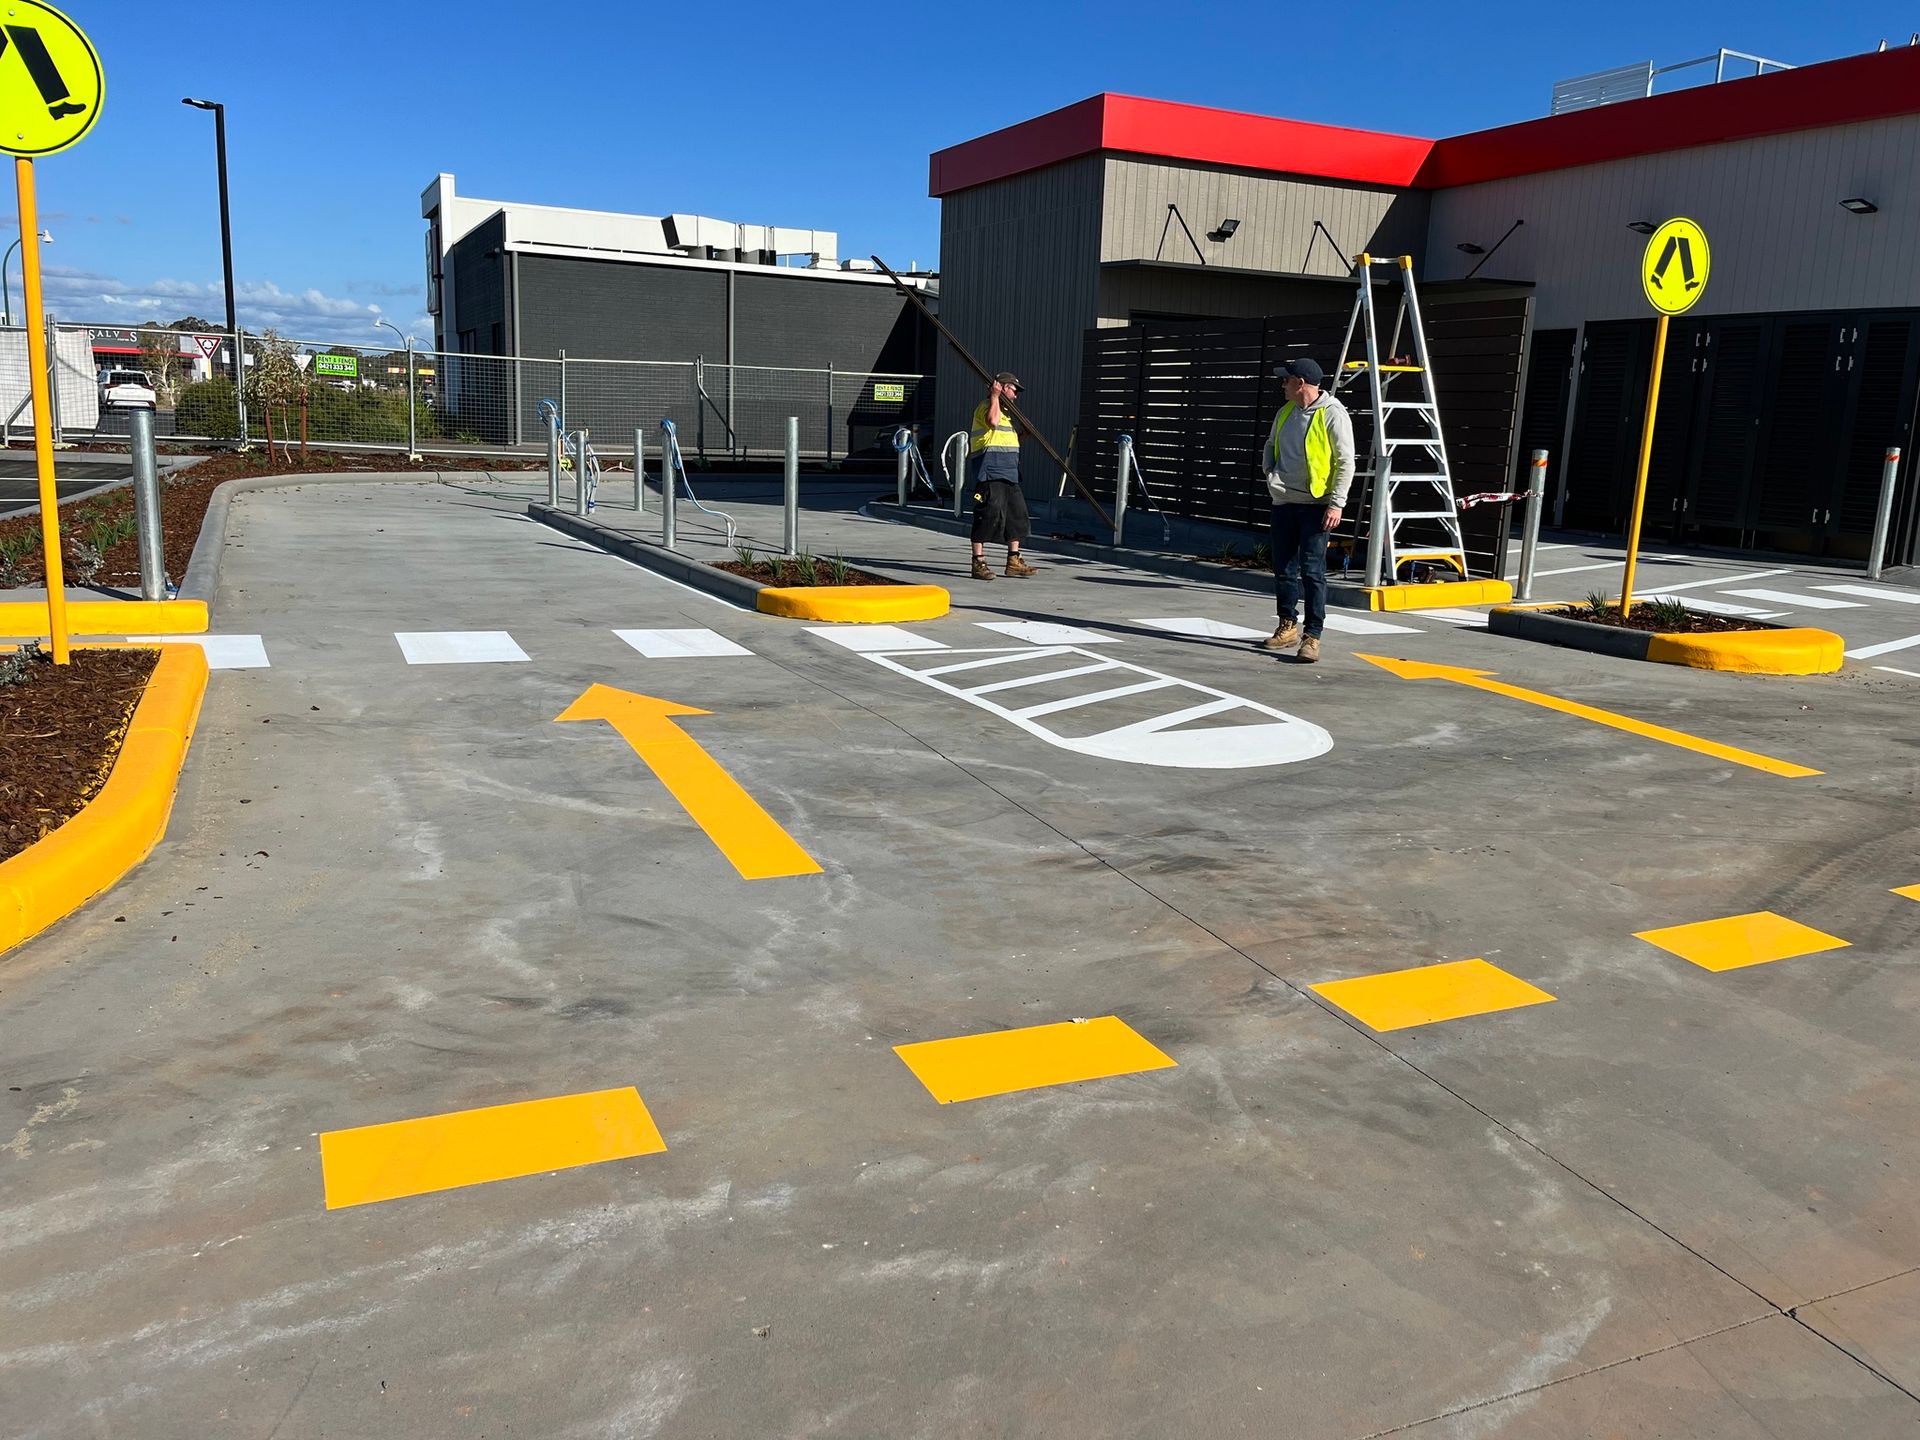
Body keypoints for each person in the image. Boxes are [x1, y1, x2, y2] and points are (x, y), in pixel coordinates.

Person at [1257, 357, 1354, 663]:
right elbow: (1271, 444)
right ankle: (1287, 626)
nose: (1282, 385)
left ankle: (1312, 636)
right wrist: (1270, 473)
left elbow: (1345, 461)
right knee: (1283, 568)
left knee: (1312, 572)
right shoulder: (1285, 411)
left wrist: (1337, 503)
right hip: (1284, 502)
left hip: (1316, 505)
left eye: (1286, 380)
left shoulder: (1333, 413)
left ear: (1300, 383)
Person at [967, 373, 1037, 581]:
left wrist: (1025, 434)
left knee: (1017, 516)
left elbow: (1008, 440)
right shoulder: (987, 406)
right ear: (1003, 387)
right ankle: (978, 562)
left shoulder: (1007, 413)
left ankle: (1014, 560)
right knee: (988, 514)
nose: (1016, 395)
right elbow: (992, 422)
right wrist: (995, 396)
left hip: (1009, 472)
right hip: (990, 470)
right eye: (1014, 390)